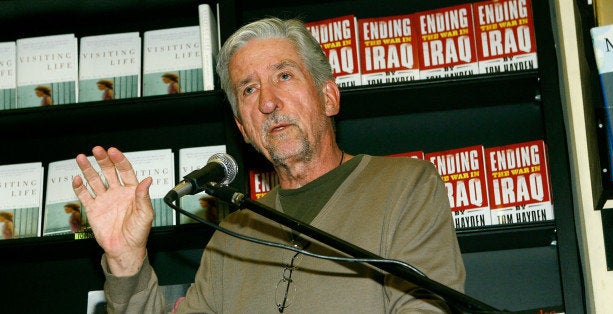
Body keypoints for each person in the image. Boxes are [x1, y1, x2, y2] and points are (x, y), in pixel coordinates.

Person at [72, 17, 465, 313]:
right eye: (249, 88)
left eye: (284, 75)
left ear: (329, 98)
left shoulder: (405, 185)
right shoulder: (231, 234)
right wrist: (126, 260)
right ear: (243, 128)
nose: (268, 102)